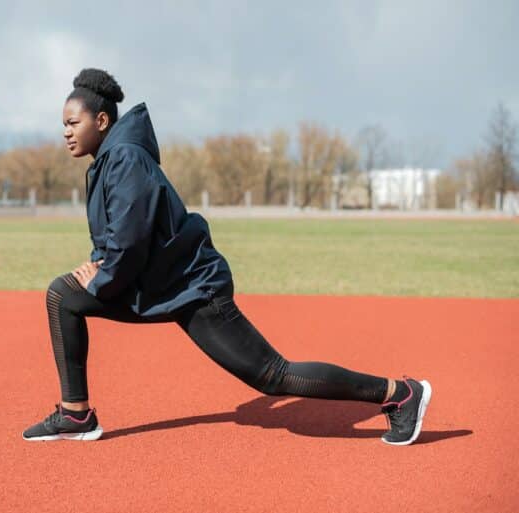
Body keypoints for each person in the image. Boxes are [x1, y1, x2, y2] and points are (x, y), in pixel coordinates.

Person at [22, 68, 432, 445]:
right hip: (161, 284)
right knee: (64, 295)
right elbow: (119, 235)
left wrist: (102, 275)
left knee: (274, 375)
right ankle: (76, 415)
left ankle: (399, 393)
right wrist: (99, 264)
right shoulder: (110, 161)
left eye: (73, 123)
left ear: (102, 121)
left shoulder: (126, 159)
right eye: (64, 125)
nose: (66, 133)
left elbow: (129, 243)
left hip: (194, 290)